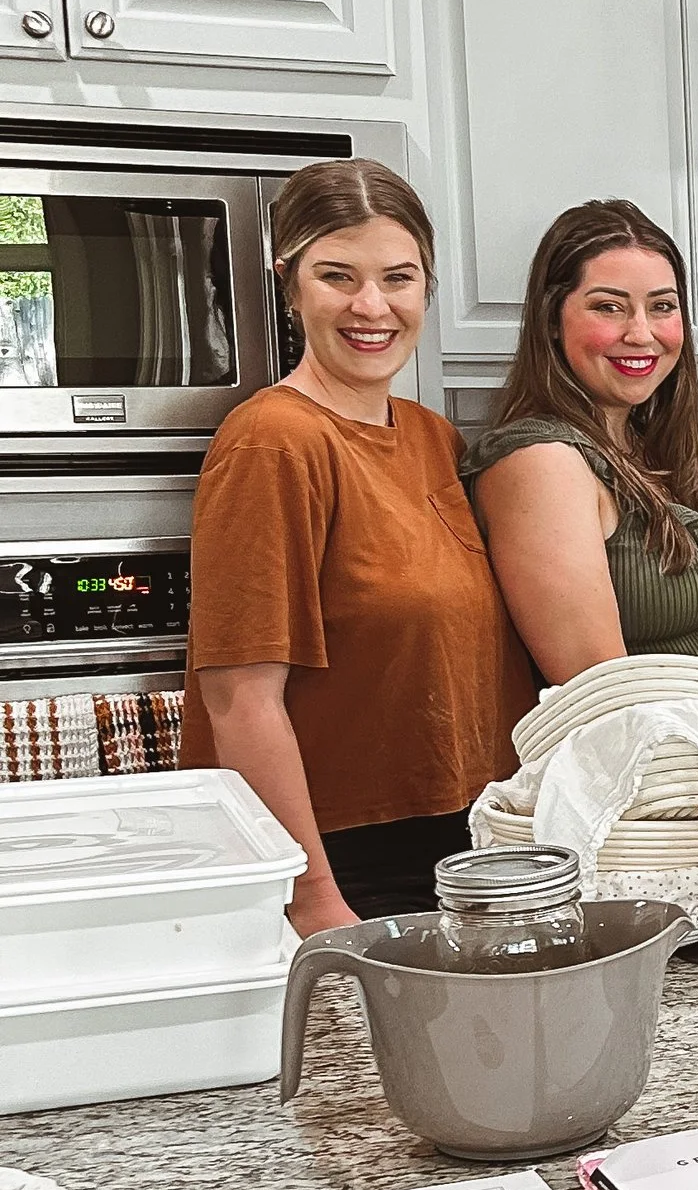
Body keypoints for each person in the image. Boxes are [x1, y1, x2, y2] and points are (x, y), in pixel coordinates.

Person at [183, 160, 534, 930]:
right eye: (337, 275)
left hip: (457, 847)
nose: (371, 305)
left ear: (427, 289)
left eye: (398, 278)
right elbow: (239, 699)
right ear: (291, 284)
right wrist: (315, 903)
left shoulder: (431, 438)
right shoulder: (272, 442)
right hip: (344, 866)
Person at [466, 201, 698, 683]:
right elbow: (600, 694)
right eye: (608, 307)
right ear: (553, 319)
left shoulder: (635, 444)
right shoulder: (541, 462)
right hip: (649, 754)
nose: (641, 333)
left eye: (662, 307)